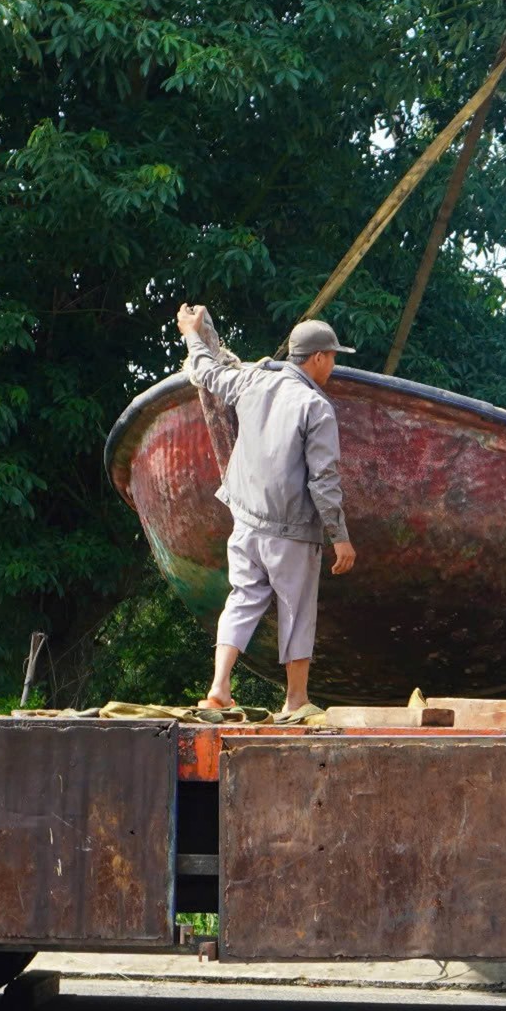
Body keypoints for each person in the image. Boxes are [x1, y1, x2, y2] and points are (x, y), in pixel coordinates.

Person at [176, 304, 357, 716]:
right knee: (296, 609)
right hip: (290, 531)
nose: (332, 366)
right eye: (332, 357)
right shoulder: (317, 407)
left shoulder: (253, 380)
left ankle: (219, 687)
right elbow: (323, 480)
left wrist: (192, 332)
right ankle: (296, 699)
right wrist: (340, 537)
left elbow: (206, 371)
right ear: (317, 358)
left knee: (242, 599)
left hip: (245, 522)